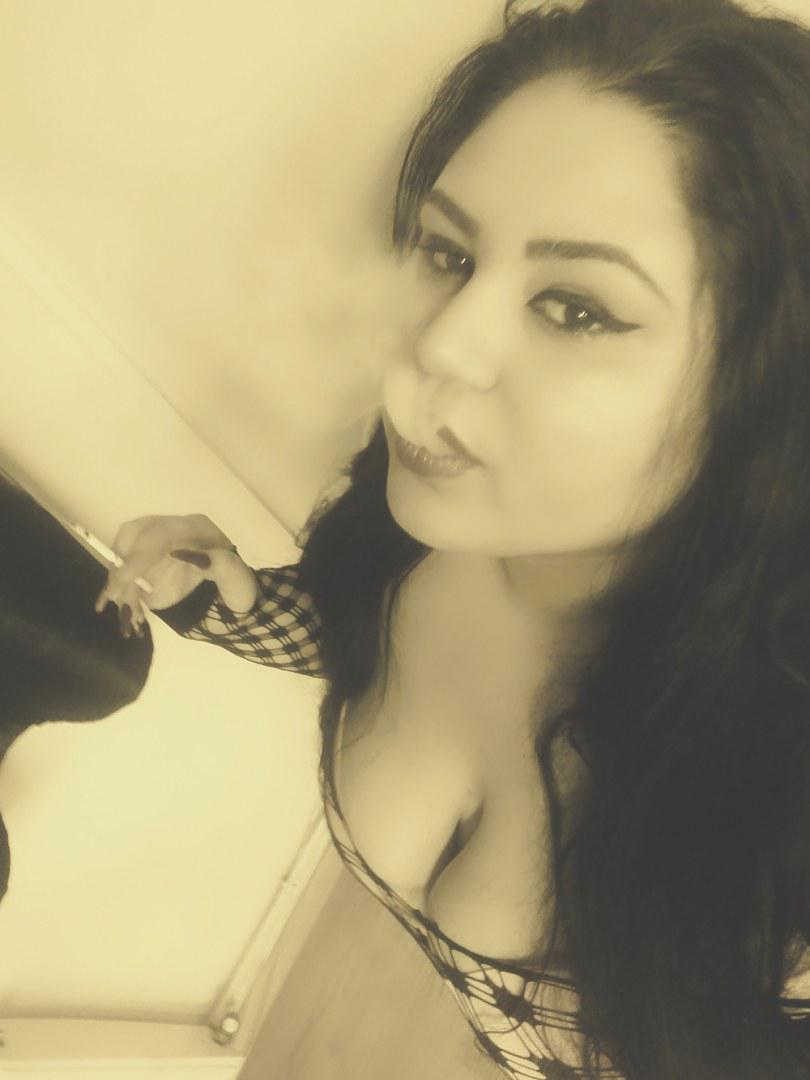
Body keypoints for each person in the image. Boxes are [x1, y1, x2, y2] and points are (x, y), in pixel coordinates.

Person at [94, 0, 810, 1075]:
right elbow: (356, 642)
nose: (434, 346)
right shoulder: (416, 526)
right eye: (448, 252)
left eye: (577, 307)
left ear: (770, 388)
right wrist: (222, 602)